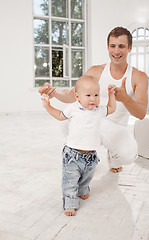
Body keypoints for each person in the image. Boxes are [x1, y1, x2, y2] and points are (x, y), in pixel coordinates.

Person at [39, 26, 148, 173]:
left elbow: (141, 113)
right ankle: (86, 152)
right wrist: (54, 92)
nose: (116, 51)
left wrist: (125, 98)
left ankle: (114, 156)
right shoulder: (95, 71)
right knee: (66, 122)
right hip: (93, 119)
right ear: (108, 47)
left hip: (115, 128)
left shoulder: (138, 77)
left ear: (130, 48)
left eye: (121, 46)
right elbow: (73, 94)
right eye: (112, 46)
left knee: (128, 155)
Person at [41, 75, 116, 216]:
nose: (93, 99)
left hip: (91, 156)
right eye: (88, 95)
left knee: (87, 176)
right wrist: (47, 106)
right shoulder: (73, 108)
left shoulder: (99, 110)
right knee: (70, 180)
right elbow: (59, 115)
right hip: (72, 155)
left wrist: (112, 94)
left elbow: (111, 108)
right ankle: (70, 203)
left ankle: (82, 189)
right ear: (77, 96)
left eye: (96, 95)